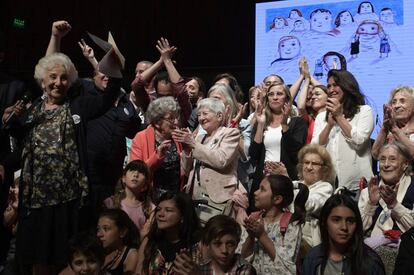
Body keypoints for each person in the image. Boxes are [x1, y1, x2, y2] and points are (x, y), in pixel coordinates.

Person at [3, 49, 122, 274]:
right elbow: (23, 150)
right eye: (53, 77)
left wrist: (113, 69)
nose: (58, 82)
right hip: (35, 199)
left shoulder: (78, 105)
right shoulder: (31, 112)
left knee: (66, 256)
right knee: (36, 257)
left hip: (68, 199)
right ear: (42, 80)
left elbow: (108, 98)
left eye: (64, 77)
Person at [174, 98, 242, 225]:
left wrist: (193, 144)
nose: (201, 118)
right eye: (199, 115)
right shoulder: (199, 138)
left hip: (217, 197)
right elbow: (186, 168)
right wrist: (187, 149)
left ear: (219, 116)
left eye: (205, 114)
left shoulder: (231, 134)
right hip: (194, 195)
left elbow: (221, 160)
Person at [312, 69, 374, 195]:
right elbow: (316, 149)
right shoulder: (321, 116)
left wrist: (339, 117)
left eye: (335, 85)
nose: (331, 89)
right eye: (329, 86)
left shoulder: (364, 111)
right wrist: (329, 125)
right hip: (329, 186)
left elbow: (359, 141)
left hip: (358, 186)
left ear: (347, 86)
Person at [249, 82, 307, 212]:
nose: (275, 97)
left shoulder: (297, 122)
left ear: (287, 99)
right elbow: (254, 154)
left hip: (285, 177)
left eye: (279, 94)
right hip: (263, 178)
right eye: (271, 94)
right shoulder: (263, 120)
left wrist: (285, 125)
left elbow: (296, 153)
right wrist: (260, 124)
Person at [302, 192, 385, 275]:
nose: (344, 227)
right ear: (325, 222)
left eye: (350, 221)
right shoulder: (312, 258)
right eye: (336, 220)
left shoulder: (370, 262)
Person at [240, 174, 308, 274]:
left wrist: (262, 235)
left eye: (262, 190)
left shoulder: (291, 223)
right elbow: (241, 261)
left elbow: (286, 268)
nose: (255, 192)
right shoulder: (254, 219)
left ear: (277, 199)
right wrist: (250, 236)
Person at [130, 97, 184, 200]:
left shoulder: (178, 137)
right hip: (150, 197)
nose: (176, 122)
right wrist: (157, 157)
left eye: (177, 116)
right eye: (171, 118)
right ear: (157, 123)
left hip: (175, 198)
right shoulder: (141, 138)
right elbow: (135, 172)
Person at [136, 192, 202, 274]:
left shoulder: (198, 245)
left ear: (182, 216)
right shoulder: (149, 241)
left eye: (168, 210)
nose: (160, 214)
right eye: (158, 209)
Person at [130, 38, 191, 127]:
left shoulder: (182, 109)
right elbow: (136, 85)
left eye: (169, 96)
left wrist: (167, 61)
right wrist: (160, 62)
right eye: (161, 96)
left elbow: (181, 91)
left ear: (175, 95)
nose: (165, 100)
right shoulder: (151, 105)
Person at [172, 215, 257, 275]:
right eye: (217, 244)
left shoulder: (243, 269)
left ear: (237, 243)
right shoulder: (202, 268)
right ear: (208, 244)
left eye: (230, 244)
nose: (224, 250)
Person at [293, 144, 335, 249]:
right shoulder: (295, 184)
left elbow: (309, 206)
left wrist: (287, 187)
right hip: (288, 234)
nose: (309, 167)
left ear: (325, 169)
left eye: (314, 164)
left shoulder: (325, 187)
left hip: (308, 240)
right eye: (306, 162)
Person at [103, 160, 154, 237]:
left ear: (145, 185)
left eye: (141, 172)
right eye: (132, 170)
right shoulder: (110, 203)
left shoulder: (150, 208)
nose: (136, 174)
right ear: (123, 179)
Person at [372, 86, 414, 160]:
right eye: (393, 102)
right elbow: (376, 154)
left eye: (402, 101)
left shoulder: (394, 129)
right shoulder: (388, 130)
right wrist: (385, 127)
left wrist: (395, 129)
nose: (396, 106)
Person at [96, 209, 139, 275]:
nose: (99, 234)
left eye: (106, 229)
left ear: (122, 232)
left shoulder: (130, 255)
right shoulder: (97, 251)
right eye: (98, 229)